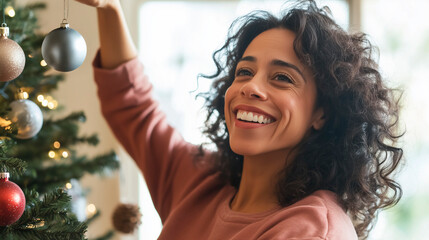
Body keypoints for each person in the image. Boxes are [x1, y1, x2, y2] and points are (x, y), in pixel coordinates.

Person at [75, 0, 404, 239]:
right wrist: (109, 8)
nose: (251, 87)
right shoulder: (200, 181)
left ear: (323, 112)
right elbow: (135, 109)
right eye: (244, 72)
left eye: (282, 78)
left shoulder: (311, 230)